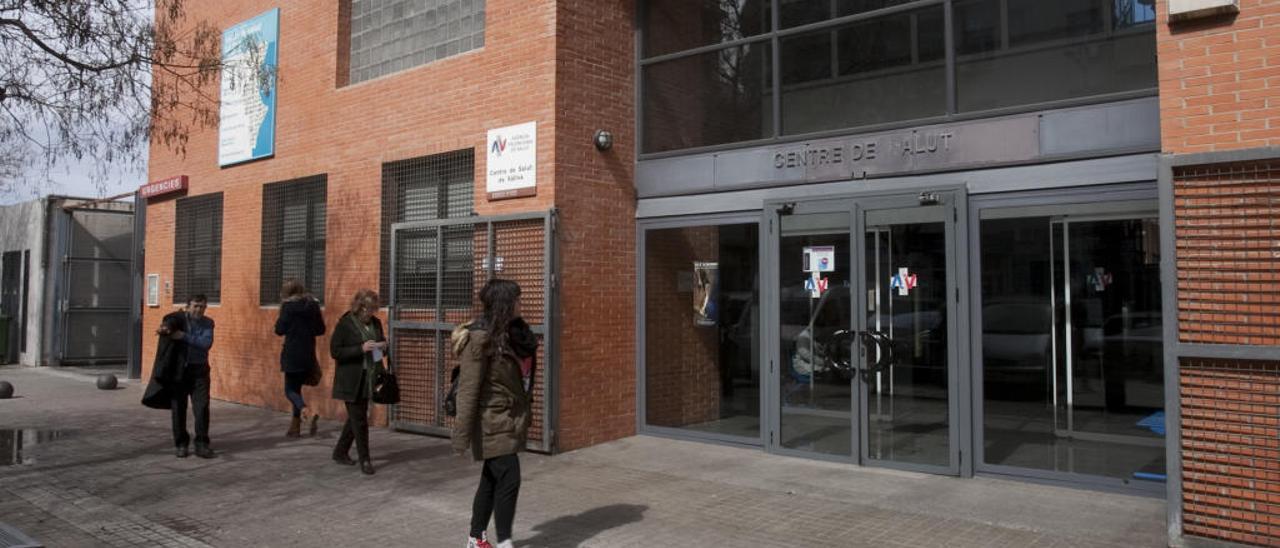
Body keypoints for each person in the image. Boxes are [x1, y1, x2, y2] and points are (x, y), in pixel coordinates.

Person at [453, 279, 538, 548]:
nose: (520, 304)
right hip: (491, 419)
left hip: (510, 417)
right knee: (509, 476)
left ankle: (475, 538)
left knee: (491, 477)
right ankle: (505, 542)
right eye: (516, 300)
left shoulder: (516, 334)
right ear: (505, 304)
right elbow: (467, 390)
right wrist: (461, 436)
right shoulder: (480, 340)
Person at [330, 288, 387, 475]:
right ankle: (365, 460)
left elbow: (382, 346)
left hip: (370, 376)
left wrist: (381, 347)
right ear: (360, 307)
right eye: (368, 309)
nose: (371, 313)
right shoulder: (346, 324)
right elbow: (336, 351)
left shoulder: (376, 324)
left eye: (373, 309)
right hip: (351, 378)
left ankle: (340, 452)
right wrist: (360, 348)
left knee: (356, 418)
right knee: (360, 420)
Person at [161, 294, 216, 459]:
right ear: (188, 306)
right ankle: (181, 444)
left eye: (202, 306)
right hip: (180, 371)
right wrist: (166, 329)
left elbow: (206, 344)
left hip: (200, 371)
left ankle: (201, 443)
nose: (199, 310)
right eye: (195, 306)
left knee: (202, 407)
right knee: (179, 408)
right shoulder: (180, 321)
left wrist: (184, 336)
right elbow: (168, 323)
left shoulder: (208, 323)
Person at [275, 279, 326, 438]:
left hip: (292, 353)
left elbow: (279, 330)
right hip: (308, 353)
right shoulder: (313, 305)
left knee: (289, 390)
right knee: (297, 389)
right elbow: (320, 330)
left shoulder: (287, 307)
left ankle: (306, 412)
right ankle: (295, 428)